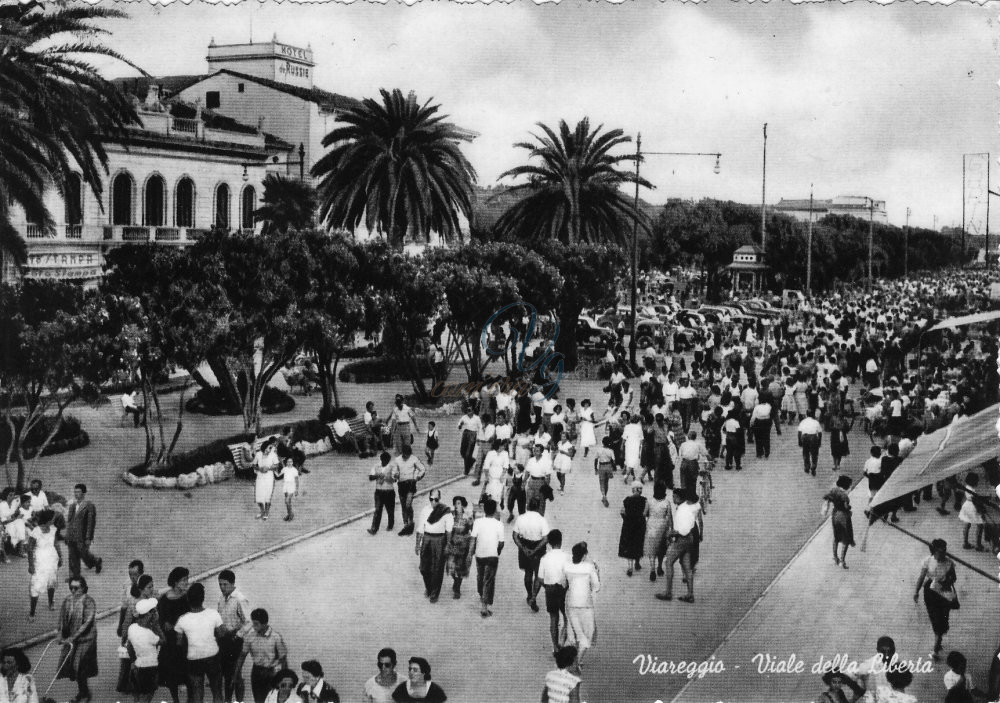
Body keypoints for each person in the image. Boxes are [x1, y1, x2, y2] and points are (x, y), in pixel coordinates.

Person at [173, 582, 224, 703]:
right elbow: (221, 633)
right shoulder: (213, 614)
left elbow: (179, 643)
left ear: (188, 600)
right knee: (217, 691)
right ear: (203, 598)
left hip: (194, 657)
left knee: (197, 693)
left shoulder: (182, 620)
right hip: (212, 655)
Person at [913, 538, 959, 660]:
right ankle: (936, 647)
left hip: (944, 594)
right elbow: (921, 577)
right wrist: (916, 591)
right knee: (936, 619)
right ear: (934, 552)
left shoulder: (949, 563)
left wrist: (946, 581)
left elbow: (954, 578)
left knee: (943, 619)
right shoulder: (928, 561)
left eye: (944, 551)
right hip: (931, 594)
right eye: (940, 552)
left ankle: (938, 639)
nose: (943, 554)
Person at [56, 575, 98, 703]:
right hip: (71, 638)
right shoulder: (67, 600)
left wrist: (72, 637)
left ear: (84, 588)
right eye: (71, 588)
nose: (73, 591)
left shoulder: (89, 602)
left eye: (76, 588)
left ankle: (84, 693)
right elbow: (62, 619)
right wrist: (59, 634)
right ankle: (83, 691)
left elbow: (87, 624)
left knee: (79, 666)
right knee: (71, 667)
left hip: (86, 639)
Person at [655, 489, 699, 604]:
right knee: (686, 566)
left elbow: (683, 530)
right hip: (689, 539)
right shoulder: (687, 508)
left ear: (679, 498)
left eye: (674, 496)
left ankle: (668, 592)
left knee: (669, 562)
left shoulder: (682, 510)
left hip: (681, 539)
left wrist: (673, 533)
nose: (673, 498)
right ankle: (690, 594)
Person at [236, 609, 288, 703]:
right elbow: (242, 656)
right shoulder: (250, 637)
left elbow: (283, 659)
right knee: (258, 700)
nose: (254, 627)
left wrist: (284, 679)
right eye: (253, 623)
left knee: (272, 700)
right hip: (257, 673)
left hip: (272, 673)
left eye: (256, 624)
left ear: (264, 623)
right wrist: (236, 673)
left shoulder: (275, 637)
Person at [533, 530, 571, 655]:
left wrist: (547, 586)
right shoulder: (567, 556)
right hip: (564, 589)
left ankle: (555, 647)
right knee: (566, 618)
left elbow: (540, 578)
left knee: (553, 618)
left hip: (550, 589)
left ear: (549, 543)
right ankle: (562, 642)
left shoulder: (545, 558)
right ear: (561, 540)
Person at [217, 570, 252, 703]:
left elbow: (249, 622)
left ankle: (239, 701)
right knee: (226, 673)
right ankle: (227, 700)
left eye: (225, 584)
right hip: (224, 640)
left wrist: (237, 635)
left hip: (236, 641)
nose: (222, 587)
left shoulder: (240, 599)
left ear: (232, 583)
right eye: (220, 584)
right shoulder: (221, 598)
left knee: (236, 674)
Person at [563, 542, 600, 666]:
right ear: (584, 555)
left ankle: (574, 661)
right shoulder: (589, 568)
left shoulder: (567, 566)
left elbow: (564, 584)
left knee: (576, 632)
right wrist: (597, 571)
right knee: (587, 635)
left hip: (571, 603)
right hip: (586, 605)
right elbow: (596, 586)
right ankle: (577, 662)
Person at [467, 499, 504, 618]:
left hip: (480, 555)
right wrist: (497, 551)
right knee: (488, 580)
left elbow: (472, 539)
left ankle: (481, 594)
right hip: (492, 556)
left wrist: (469, 554)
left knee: (480, 576)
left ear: (484, 509)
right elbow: (501, 543)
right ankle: (484, 607)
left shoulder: (478, 522)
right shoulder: (499, 524)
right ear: (494, 510)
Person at [513, 499, 550, 612]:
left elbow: (515, 536)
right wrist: (535, 550)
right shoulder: (542, 520)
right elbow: (545, 539)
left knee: (528, 573)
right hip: (538, 548)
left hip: (524, 546)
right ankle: (534, 597)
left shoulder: (520, 518)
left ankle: (529, 594)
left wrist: (523, 548)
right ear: (538, 507)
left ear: (527, 506)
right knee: (538, 575)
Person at [415, 489, 453, 603]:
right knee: (423, 568)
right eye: (431, 499)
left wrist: (448, 545)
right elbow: (420, 528)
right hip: (426, 538)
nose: (433, 502)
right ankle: (429, 587)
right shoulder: (425, 510)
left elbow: (449, 530)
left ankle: (434, 593)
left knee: (437, 568)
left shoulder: (445, 511)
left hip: (439, 540)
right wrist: (417, 544)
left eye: (436, 499)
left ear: (439, 499)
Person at [26, 509, 61, 620]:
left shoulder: (53, 529)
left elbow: (55, 544)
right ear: (48, 520)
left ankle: (51, 602)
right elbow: (30, 549)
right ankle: (32, 612)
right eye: (53, 518)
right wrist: (31, 565)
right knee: (36, 585)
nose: (54, 519)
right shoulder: (36, 531)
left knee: (51, 582)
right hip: (40, 562)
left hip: (52, 560)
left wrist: (60, 557)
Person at [127, 598, 163, 703]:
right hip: (150, 667)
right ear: (149, 614)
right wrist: (157, 626)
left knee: (137, 696)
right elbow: (163, 641)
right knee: (147, 696)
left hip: (137, 665)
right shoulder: (149, 633)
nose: (156, 613)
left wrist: (133, 661)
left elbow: (129, 647)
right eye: (154, 611)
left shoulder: (132, 628)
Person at [65, 483, 102, 579]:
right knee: (72, 555)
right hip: (72, 535)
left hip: (82, 535)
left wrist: (89, 537)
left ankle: (96, 561)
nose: (76, 494)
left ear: (84, 493)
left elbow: (91, 523)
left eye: (78, 492)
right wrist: (67, 535)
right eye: (75, 492)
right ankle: (74, 576)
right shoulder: (72, 506)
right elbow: (69, 521)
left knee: (83, 553)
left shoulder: (89, 506)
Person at [393, 445, 427, 537]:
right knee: (404, 506)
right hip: (401, 485)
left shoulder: (414, 459)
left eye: (407, 455)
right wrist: (395, 475)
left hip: (410, 484)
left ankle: (411, 523)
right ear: (402, 453)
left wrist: (418, 477)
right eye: (404, 455)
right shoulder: (397, 460)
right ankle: (406, 526)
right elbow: (394, 472)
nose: (406, 457)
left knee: (408, 505)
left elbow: (422, 469)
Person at [822, 475, 856, 569]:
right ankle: (842, 561)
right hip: (843, 517)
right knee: (846, 538)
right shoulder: (844, 495)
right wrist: (849, 507)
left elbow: (827, 498)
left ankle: (835, 557)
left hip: (835, 514)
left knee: (836, 537)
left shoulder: (833, 490)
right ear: (846, 485)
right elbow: (846, 507)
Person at [444, 497, 473, 599]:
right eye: (455, 504)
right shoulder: (451, 515)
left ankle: (457, 589)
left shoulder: (467, 516)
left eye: (459, 503)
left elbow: (472, 531)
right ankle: (455, 582)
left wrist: (466, 539)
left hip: (463, 545)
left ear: (463, 505)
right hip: (452, 544)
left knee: (460, 568)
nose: (456, 506)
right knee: (451, 567)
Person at [644, 482, 672, 582]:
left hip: (651, 525)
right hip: (662, 525)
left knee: (652, 547)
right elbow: (670, 517)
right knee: (661, 547)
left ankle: (652, 568)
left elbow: (645, 514)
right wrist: (671, 529)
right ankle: (659, 567)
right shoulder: (667, 503)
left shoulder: (649, 501)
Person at [618, 482, 646, 577]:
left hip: (628, 525)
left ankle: (630, 567)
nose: (641, 491)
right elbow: (645, 514)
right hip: (640, 525)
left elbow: (622, 512)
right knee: (638, 543)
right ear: (636, 489)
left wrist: (626, 519)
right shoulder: (644, 500)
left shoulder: (627, 500)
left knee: (629, 545)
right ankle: (637, 563)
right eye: (640, 489)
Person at [368, 452, 397, 535]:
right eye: (384, 461)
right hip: (379, 491)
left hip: (389, 491)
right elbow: (370, 477)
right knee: (377, 510)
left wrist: (385, 477)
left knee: (390, 510)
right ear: (381, 460)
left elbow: (394, 479)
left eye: (387, 461)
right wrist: (377, 476)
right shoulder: (376, 466)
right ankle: (374, 528)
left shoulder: (392, 467)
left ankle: (390, 525)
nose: (386, 462)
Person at [958, 473, 986, 551]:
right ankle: (978, 545)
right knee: (980, 526)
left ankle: (965, 543)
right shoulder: (974, 490)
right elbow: (976, 501)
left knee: (967, 524)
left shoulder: (967, 487)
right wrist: (981, 511)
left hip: (967, 506)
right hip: (974, 507)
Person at [254, 440, 280, 521]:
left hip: (269, 477)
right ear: (265, 448)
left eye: (271, 447)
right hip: (260, 477)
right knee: (259, 496)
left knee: (267, 496)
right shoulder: (258, 454)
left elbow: (277, 465)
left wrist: (268, 468)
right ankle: (262, 511)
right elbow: (254, 465)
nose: (271, 449)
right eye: (269, 447)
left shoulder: (273, 455)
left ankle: (266, 512)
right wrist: (259, 468)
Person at [798, 409, 823, 476]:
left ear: (806, 414)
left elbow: (799, 432)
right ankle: (813, 467)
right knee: (814, 454)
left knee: (806, 453)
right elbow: (820, 433)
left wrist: (799, 441)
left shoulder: (803, 421)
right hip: (814, 438)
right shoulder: (816, 422)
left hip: (805, 437)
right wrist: (819, 441)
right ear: (813, 414)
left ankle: (807, 467)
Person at [593, 437, 617, 508]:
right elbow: (614, 461)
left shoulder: (599, 450)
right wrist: (613, 468)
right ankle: (605, 495)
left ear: (602, 442)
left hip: (602, 466)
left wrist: (595, 468)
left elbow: (596, 460)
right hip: (608, 466)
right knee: (606, 482)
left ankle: (603, 495)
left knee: (602, 482)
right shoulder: (611, 451)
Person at [276, 457, 299, 522]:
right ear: (286, 463)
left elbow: (297, 481)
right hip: (285, 486)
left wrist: (296, 490)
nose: (289, 463)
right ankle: (289, 514)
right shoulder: (284, 469)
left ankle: (291, 514)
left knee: (287, 501)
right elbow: (278, 475)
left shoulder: (295, 470)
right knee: (288, 502)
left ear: (292, 462)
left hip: (291, 486)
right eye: (288, 462)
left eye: (291, 462)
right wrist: (273, 471)